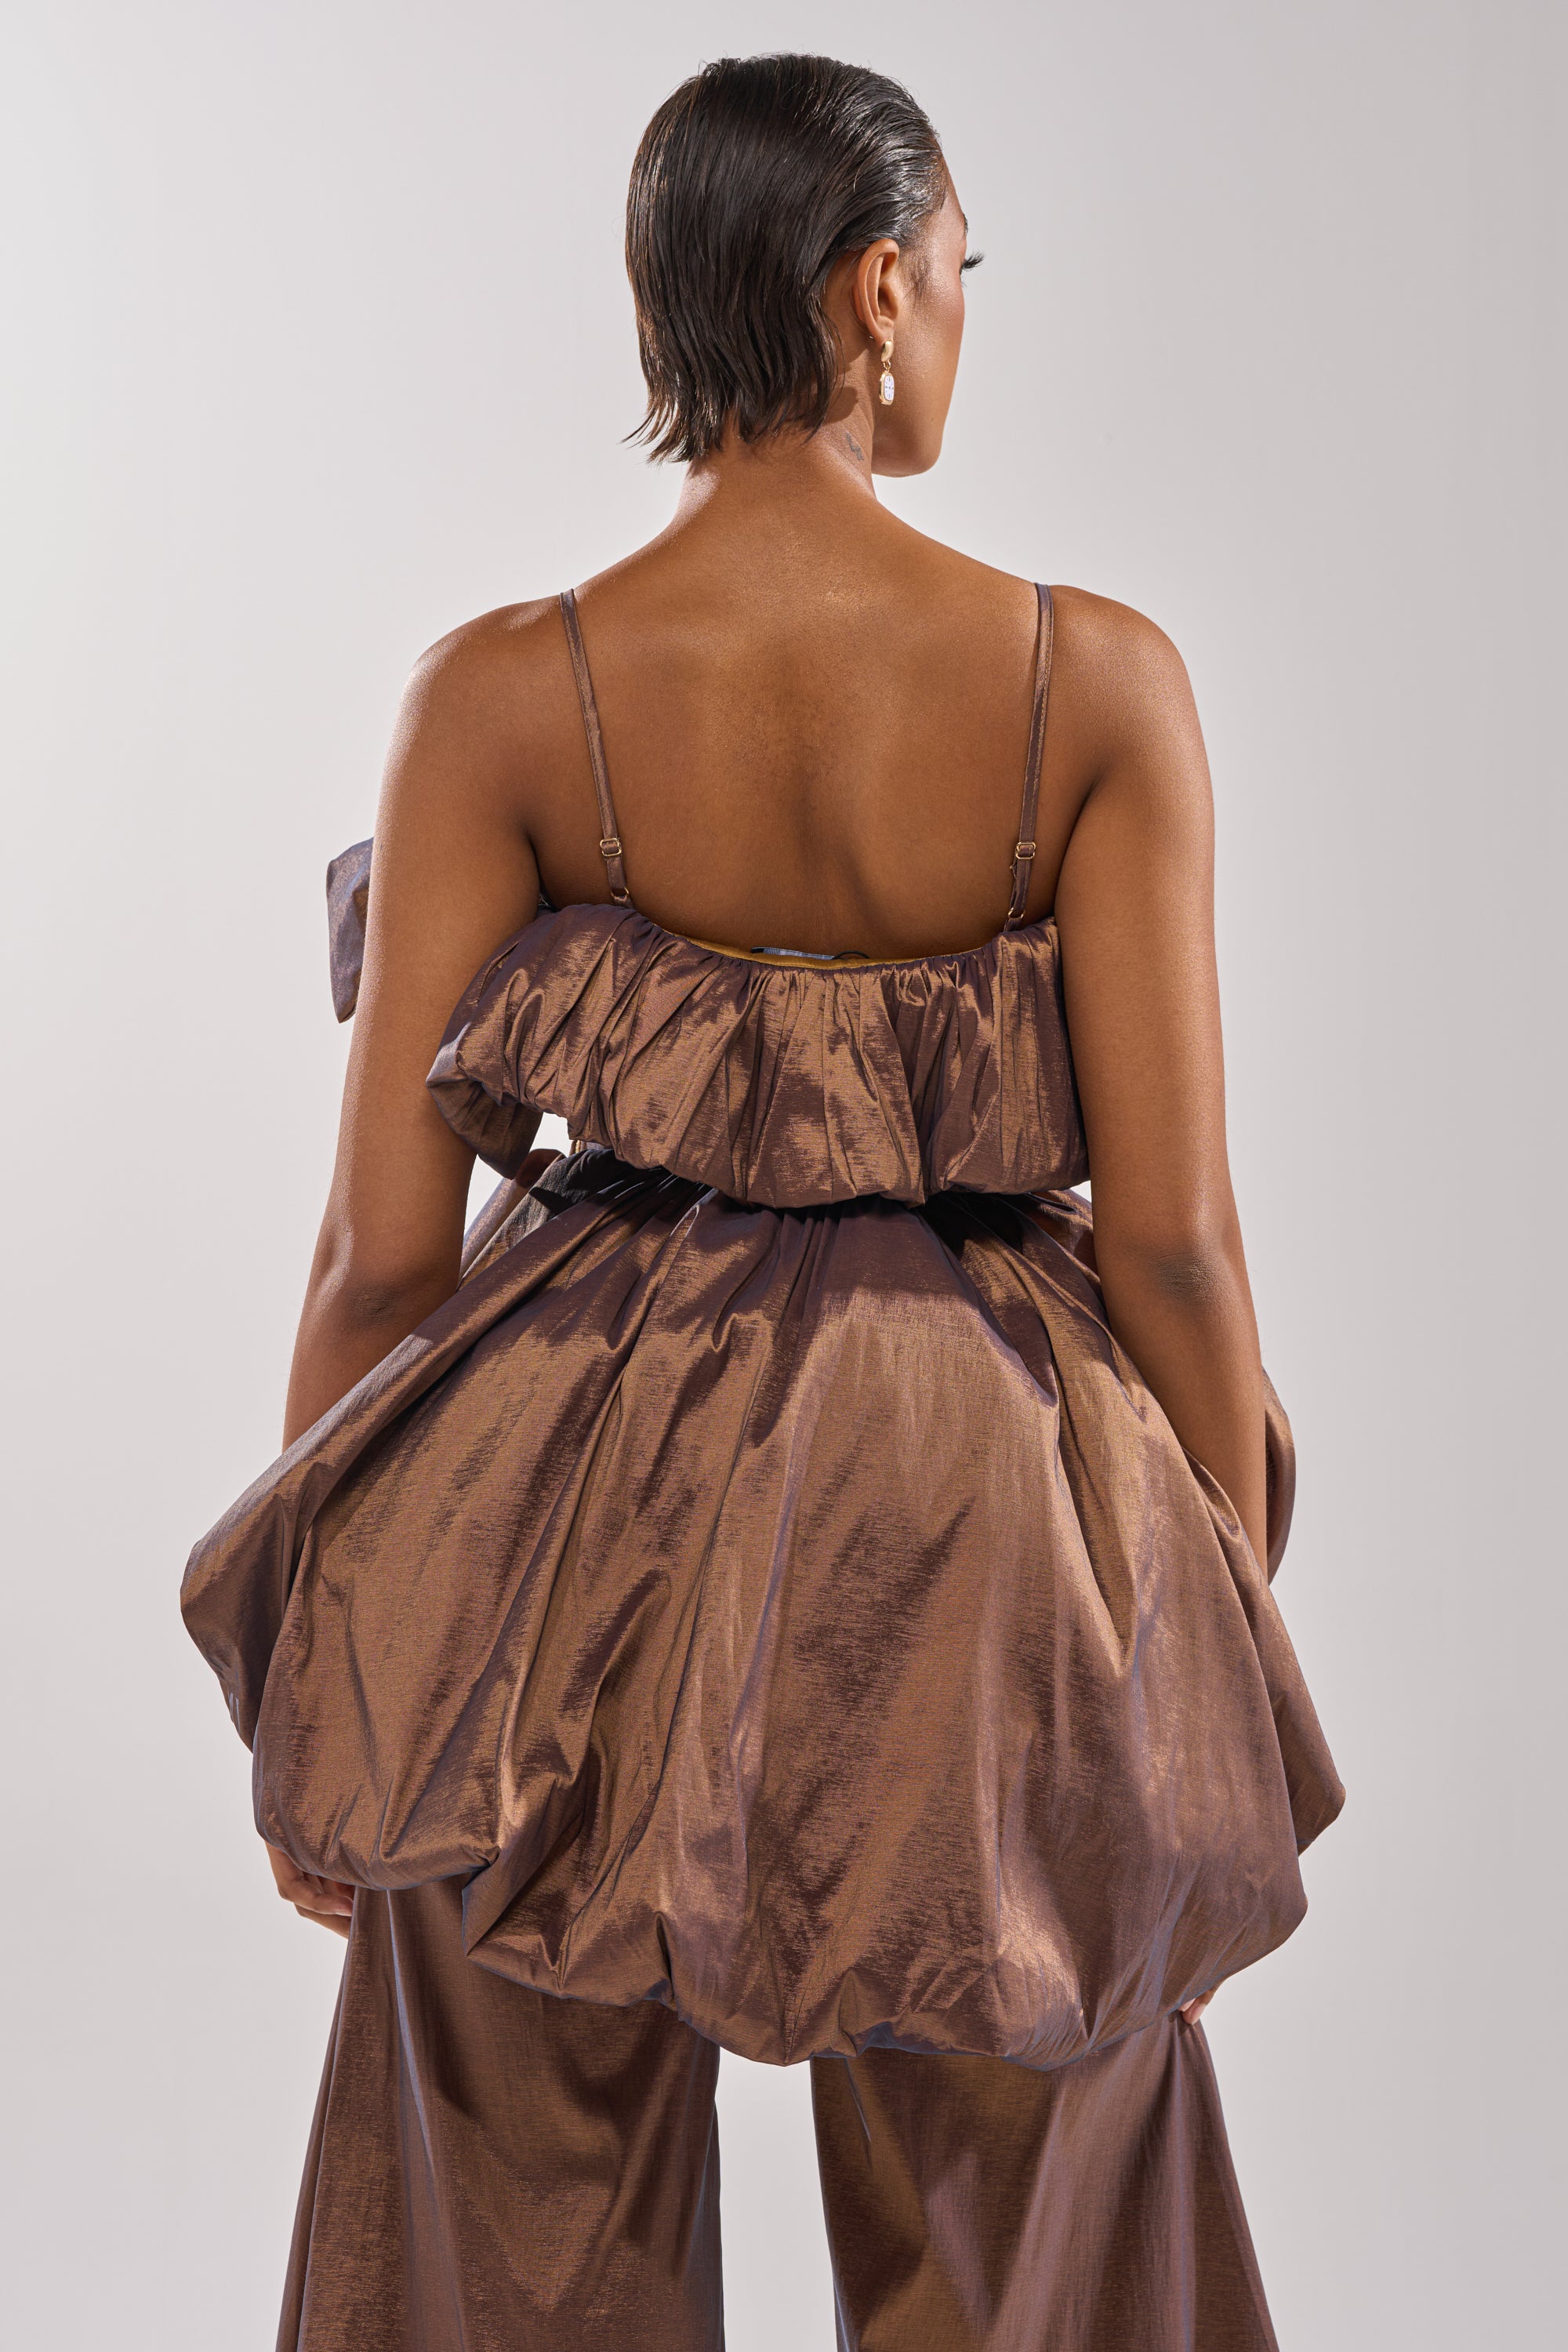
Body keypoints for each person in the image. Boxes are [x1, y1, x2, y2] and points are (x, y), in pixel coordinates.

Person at [183, 50, 1342, 2352]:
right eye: (966, 275)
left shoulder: (498, 703)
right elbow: (1185, 1243)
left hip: (549, 1533)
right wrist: (1199, 1645)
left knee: (505, 2240)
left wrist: (335, 1683)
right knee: (1032, 2258)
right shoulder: (1091, 686)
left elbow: (383, 1262)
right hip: (982, 1525)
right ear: (879, 291)